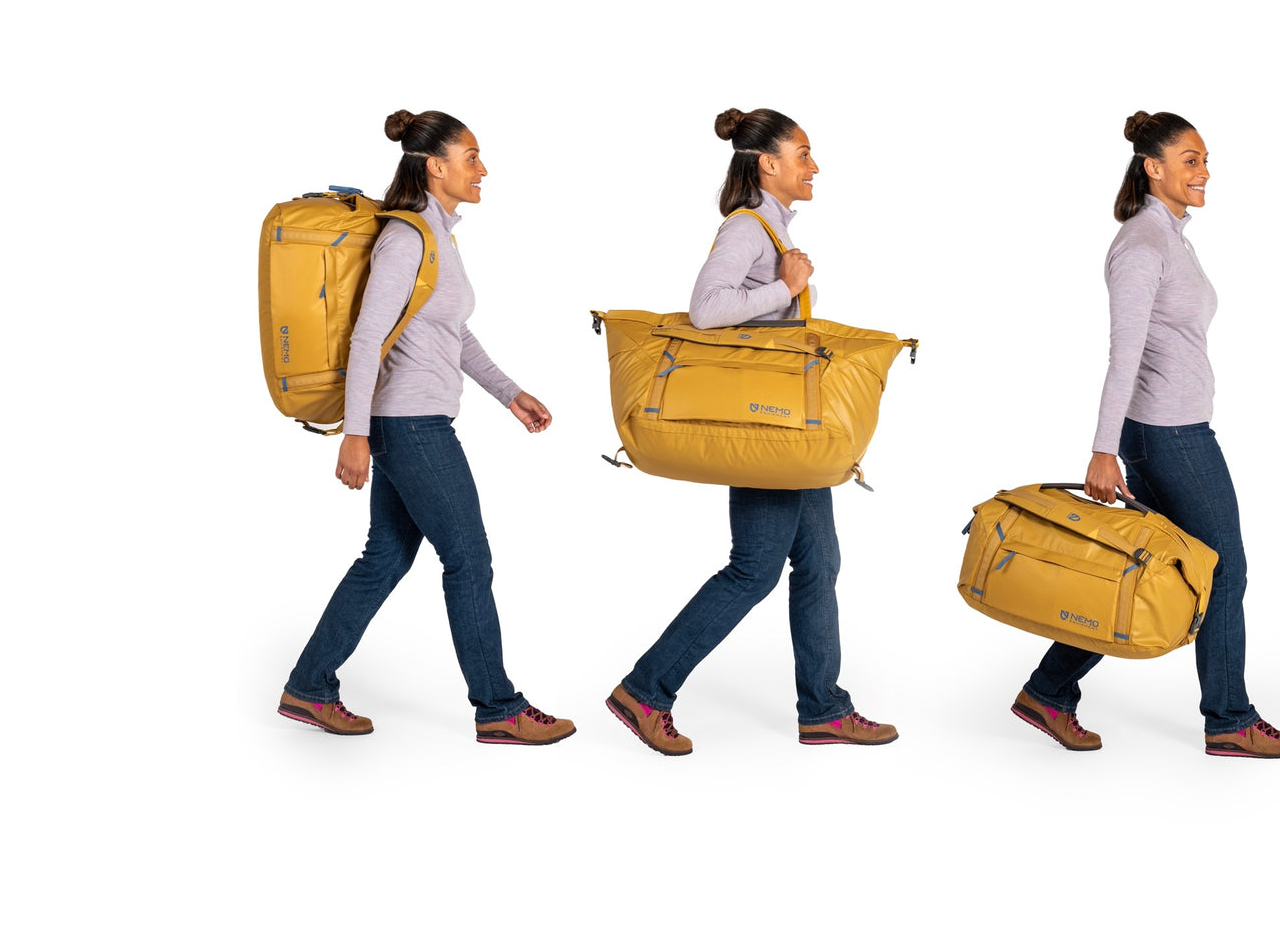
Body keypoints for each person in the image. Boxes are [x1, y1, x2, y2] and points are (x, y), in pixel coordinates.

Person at [1011, 111, 1280, 759]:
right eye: (1192, 160)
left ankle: (1047, 689)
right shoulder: (1142, 246)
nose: (1205, 172)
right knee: (1223, 568)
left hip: (1168, 429)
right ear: (1155, 167)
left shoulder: (1169, 237)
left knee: (1143, 570)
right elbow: (1124, 353)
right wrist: (1102, 448)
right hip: (1168, 435)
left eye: (1204, 160)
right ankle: (1229, 718)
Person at [277, 109, 574, 746]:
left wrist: (510, 393)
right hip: (410, 424)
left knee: (385, 557)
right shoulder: (407, 238)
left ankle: (307, 687)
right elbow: (367, 338)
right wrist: (354, 434)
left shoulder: (437, 235)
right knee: (469, 560)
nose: (483, 169)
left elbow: (449, 331)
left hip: (413, 419)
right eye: (471, 157)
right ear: (435, 166)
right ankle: (497, 707)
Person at [605, 107, 897, 756]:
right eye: (803, 153)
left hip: (788, 431)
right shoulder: (746, 227)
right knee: (754, 570)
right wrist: (785, 287)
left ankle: (823, 707)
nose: (813, 165)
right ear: (767, 162)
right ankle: (646, 688)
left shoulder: (770, 226)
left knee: (819, 562)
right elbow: (707, 310)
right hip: (766, 431)